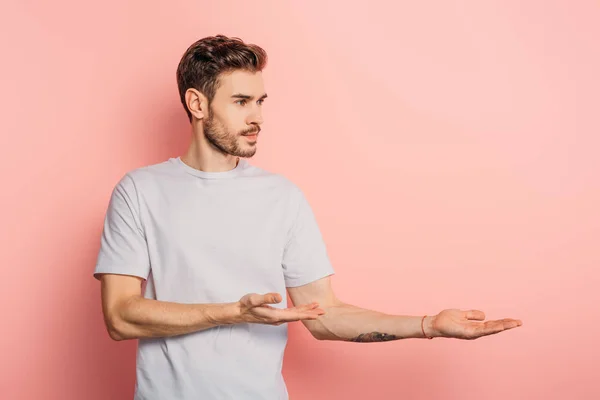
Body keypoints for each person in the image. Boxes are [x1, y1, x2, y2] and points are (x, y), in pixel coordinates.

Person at [93, 34, 523, 400]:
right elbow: (120, 316)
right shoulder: (139, 191)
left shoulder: (282, 197)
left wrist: (429, 325)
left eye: (260, 101)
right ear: (197, 103)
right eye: (241, 101)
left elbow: (326, 314)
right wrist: (233, 312)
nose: (257, 117)